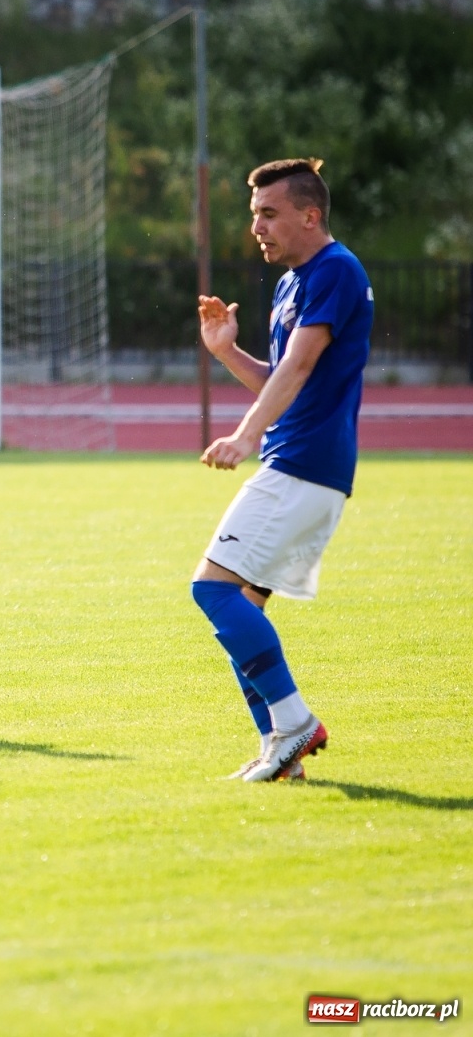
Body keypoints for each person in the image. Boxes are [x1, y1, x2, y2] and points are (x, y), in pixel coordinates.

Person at [193, 158, 372, 783]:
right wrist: (226, 352)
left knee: (211, 590)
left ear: (310, 214)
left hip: (303, 464)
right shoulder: (293, 283)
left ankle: (294, 724)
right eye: (254, 216)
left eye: (269, 214)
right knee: (241, 604)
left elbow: (298, 368)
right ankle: (280, 750)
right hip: (300, 463)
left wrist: (245, 436)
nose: (257, 228)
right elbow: (281, 381)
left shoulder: (336, 271)